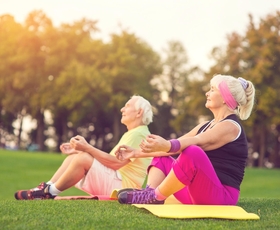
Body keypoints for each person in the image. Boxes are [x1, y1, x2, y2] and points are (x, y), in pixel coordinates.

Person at [115, 74, 256, 205]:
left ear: (226, 97)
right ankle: (150, 193)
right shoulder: (206, 125)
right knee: (162, 157)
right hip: (196, 191)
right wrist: (136, 153)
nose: (207, 93)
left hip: (222, 197)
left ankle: (154, 196)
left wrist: (166, 145)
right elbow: (174, 146)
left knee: (192, 151)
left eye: (212, 89)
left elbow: (198, 141)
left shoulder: (231, 126)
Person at [15, 95, 153, 200]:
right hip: (118, 182)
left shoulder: (138, 134)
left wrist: (87, 148)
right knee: (77, 156)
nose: (122, 109)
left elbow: (115, 163)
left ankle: (49, 192)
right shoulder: (135, 133)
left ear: (139, 112)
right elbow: (110, 161)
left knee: (82, 158)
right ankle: (47, 187)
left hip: (123, 189)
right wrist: (79, 149)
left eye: (127, 106)